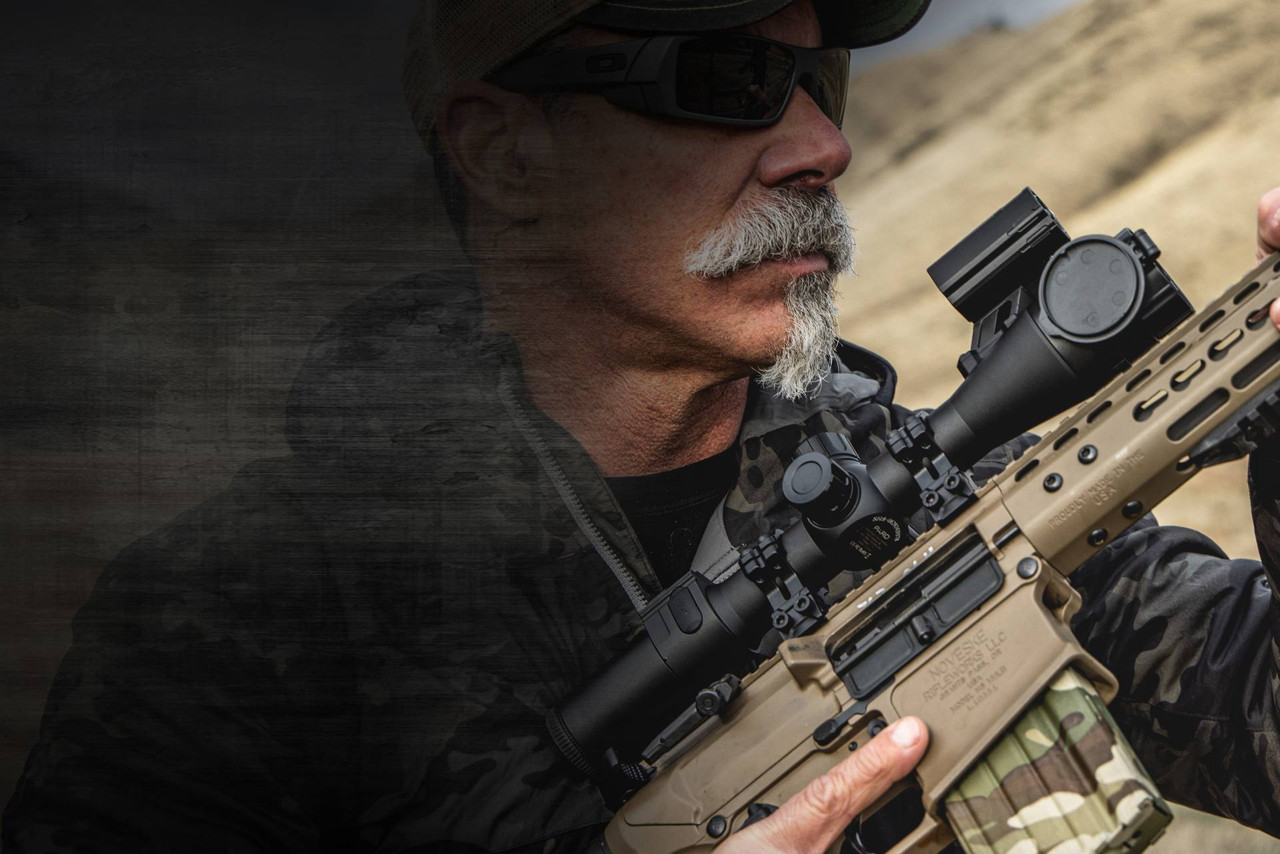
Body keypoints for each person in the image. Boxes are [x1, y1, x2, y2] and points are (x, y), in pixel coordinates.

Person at [6, 1, 1280, 851]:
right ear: (503, 152)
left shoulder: (918, 489)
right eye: (730, 82)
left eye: (817, 81)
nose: (819, 145)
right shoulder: (241, 617)